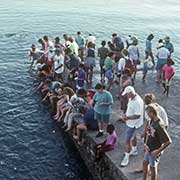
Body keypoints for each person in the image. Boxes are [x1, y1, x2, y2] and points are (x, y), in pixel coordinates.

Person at [142, 104, 171, 180]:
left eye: (148, 113)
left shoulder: (159, 125)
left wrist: (158, 151)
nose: (147, 115)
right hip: (149, 148)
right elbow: (149, 132)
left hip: (154, 150)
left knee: (153, 168)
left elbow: (168, 141)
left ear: (152, 113)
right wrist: (145, 143)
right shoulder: (151, 120)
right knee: (145, 163)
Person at [120, 86, 144, 167]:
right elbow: (130, 109)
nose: (126, 96)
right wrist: (125, 114)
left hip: (133, 124)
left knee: (127, 141)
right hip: (130, 122)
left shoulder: (137, 101)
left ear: (130, 93)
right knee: (133, 137)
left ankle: (127, 156)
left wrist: (127, 117)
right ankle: (134, 150)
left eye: (126, 94)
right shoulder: (131, 98)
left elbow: (138, 115)